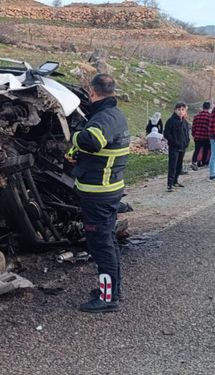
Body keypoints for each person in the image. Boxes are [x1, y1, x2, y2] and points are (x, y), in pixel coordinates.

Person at [66, 73, 129, 313]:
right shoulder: (112, 114)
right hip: (104, 191)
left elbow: (92, 141)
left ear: (92, 92)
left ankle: (107, 299)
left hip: (99, 194)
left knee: (101, 244)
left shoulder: (106, 117)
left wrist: (73, 137)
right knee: (108, 242)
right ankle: (112, 289)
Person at [163, 103, 190, 192]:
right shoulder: (171, 121)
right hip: (174, 147)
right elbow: (167, 134)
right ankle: (169, 184)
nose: (181, 112)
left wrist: (187, 141)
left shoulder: (185, 122)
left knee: (179, 165)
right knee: (173, 165)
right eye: (179, 110)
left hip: (182, 146)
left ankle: (175, 181)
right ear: (175, 110)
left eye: (183, 110)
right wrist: (173, 142)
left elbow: (186, 133)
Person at [191, 102, 212, 169]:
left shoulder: (197, 116)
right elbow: (210, 128)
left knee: (197, 150)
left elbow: (193, 127)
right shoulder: (210, 116)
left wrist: (194, 135)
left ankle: (194, 162)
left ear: (203, 107)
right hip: (206, 137)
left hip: (197, 136)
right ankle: (203, 162)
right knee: (206, 150)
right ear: (209, 108)